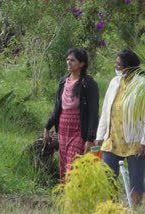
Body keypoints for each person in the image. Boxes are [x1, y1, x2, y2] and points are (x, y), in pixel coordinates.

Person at [96, 49, 145, 205]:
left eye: (119, 64)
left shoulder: (141, 85)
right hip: (112, 139)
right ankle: (112, 208)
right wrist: (99, 136)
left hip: (134, 140)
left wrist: (144, 142)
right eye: (116, 63)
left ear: (129, 67)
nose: (116, 67)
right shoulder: (114, 82)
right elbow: (106, 110)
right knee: (107, 178)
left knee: (136, 183)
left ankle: (135, 209)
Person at [43, 48, 99, 182]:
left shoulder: (88, 84)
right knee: (63, 166)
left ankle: (74, 201)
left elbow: (93, 112)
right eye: (67, 59)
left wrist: (90, 138)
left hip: (79, 130)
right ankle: (66, 198)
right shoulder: (63, 80)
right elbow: (57, 107)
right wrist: (47, 127)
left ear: (82, 64)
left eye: (72, 60)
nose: (69, 62)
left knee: (74, 167)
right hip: (63, 128)